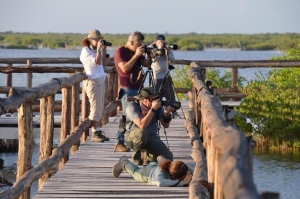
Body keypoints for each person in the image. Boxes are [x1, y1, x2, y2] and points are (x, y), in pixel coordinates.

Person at [114, 31, 151, 152]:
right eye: (138, 45)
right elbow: (124, 69)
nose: (139, 47)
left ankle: (135, 140)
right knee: (126, 116)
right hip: (127, 88)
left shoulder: (137, 51)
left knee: (137, 114)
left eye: (141, 45)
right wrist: (136, 55)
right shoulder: (120, 52)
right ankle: (119, 142)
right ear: (131, 42)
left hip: (138, 88)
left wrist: (149, 55)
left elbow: (146, 65)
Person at [124, 86, 174, 165]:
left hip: (152, 137)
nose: (154, 102)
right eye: (151, 99)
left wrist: (166, 114)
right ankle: (136, 158)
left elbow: (165, 125)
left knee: (168, 159)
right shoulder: (132, 107)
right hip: (133, 138)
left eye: (155, 99)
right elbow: (142, 125)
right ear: (142, 100)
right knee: (142, 133)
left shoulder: (158, 107)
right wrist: (153, 109)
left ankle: (147, 157)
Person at [80, 29, 109, 142]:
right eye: (96, 39)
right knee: (95, 107)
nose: (98, 41)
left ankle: (97, 129)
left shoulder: (96, 50)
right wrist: (99, 50)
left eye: (100, 39)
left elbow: (105, 63)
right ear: (89, 40)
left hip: (100, 79)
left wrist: (104, 50)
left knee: (100, 106)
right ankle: (94, 132)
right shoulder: (85, 51)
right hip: (92, 81)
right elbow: (97, 62)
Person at [112, 155, 193, 187]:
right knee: (136, 173)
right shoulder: (161, 173)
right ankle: (124, 163)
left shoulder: (182, 167)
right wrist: (182, 183)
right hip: (148, 172)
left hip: (158, 165)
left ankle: (161, 159)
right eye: (183, 177)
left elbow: (194, 169)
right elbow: (159, 182)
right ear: (173, 176)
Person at [149, 34, 176, 102]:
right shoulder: (151, 47)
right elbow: (146, 58)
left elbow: (173, 60)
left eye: (162, 41)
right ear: (156, 42)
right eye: (159, 41)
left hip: (166, 75)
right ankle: (155, 109)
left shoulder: (167, 48)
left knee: (170, 95)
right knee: (155, 95)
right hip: (156, 76)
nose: (161, 43)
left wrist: (167, 53)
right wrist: (156, 52)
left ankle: (173, 110)